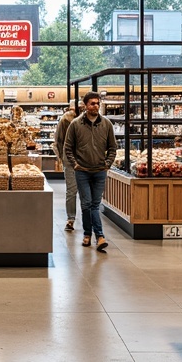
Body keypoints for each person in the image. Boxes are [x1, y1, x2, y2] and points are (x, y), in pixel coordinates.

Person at [64, 91, 117, 252]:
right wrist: (76, 165)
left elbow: (113, 148)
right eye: (92, 103)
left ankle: (94, 236)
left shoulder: (106, 124)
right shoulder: (76, 124)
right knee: (87, 204)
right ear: (85, 105)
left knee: (94, 204)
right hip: (83, 171)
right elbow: (68, 147)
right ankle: (94, 235)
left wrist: (107, 163)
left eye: (97, 103)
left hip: (100, 171)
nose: (96, 106)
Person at [52, 104, 80, 232]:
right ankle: (71, 219)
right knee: (73, 190)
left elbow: (58, 140)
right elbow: (59, 140)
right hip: (72, 160)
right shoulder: (66, 120)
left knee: (73, 191)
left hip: (79, 160)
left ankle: (74, 219)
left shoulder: (92, 120)